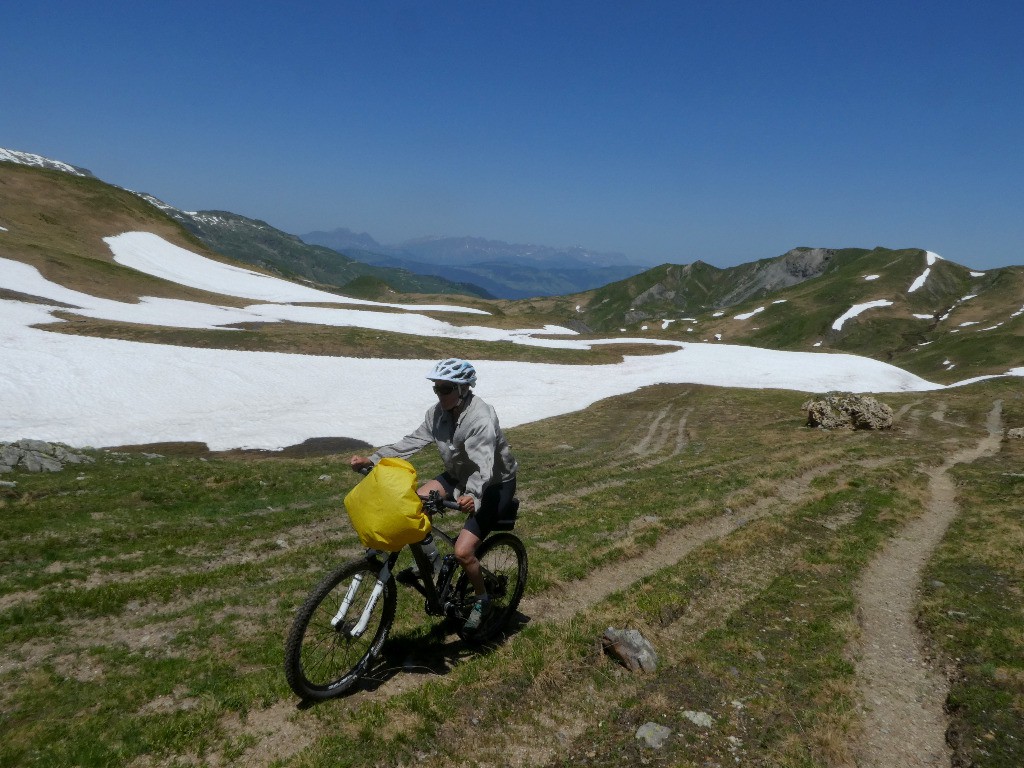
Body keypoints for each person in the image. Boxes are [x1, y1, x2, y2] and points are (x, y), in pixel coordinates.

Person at [350, 357, 518, 631]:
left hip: (494, 484)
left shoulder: (481, 418)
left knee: (463, 551)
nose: (440, 394)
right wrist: (374, 459)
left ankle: (482, 598)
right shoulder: (437, 414)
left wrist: (473, 496)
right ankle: (433, 565)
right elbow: (412, 442)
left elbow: (483, 465)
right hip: (458, 475)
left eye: (445, 389)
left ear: (463, 389)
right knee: (411, 505)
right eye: (436, 389)